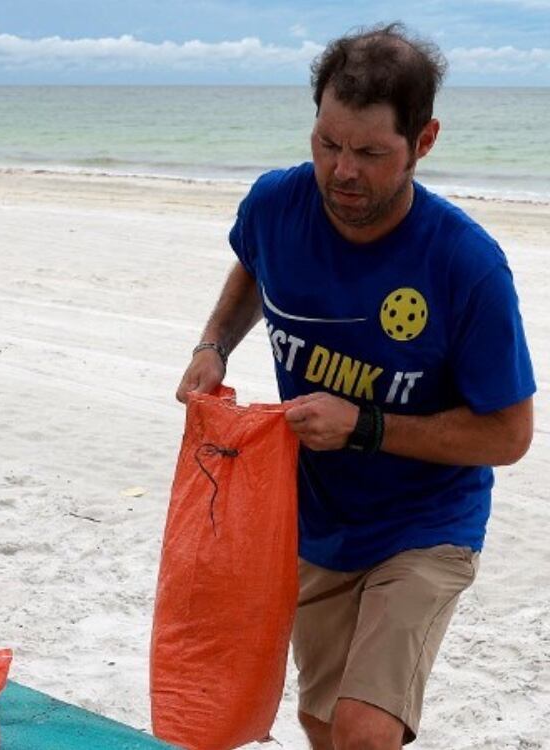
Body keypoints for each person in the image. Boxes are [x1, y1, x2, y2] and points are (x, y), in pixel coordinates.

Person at [174, 23, 536, 750]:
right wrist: (214, 345)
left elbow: (509, 436)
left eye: (370, 153)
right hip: (312, 515)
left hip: (426, 523)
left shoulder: (467, 266)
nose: (341, 171)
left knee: (364, 731)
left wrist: (364, 425)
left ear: (423, 142)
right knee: (321, 724)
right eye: (327, 144)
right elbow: (254, 264)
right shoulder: (278, 205)